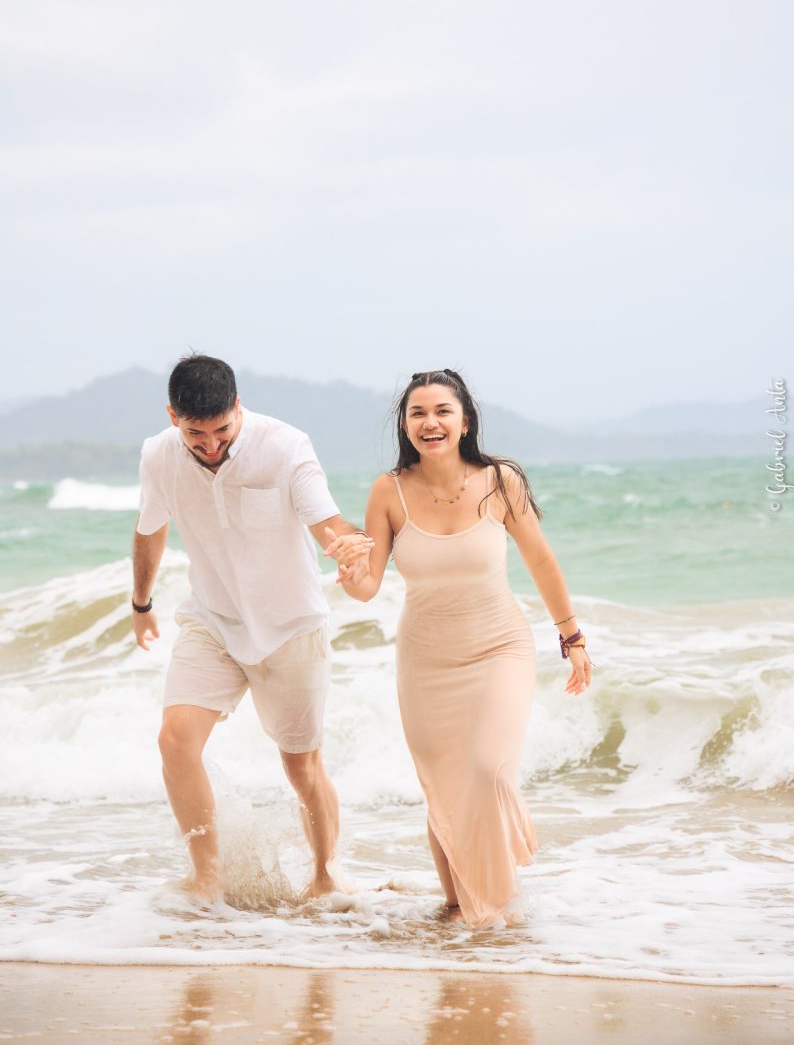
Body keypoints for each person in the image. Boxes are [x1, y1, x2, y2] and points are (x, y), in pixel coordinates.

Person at [337, 369, 591, 929]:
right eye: (418, 413)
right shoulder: (389, 490)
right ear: (405, 426)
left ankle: (493, 900)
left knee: (485, 770)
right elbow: (367, 586)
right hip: (425, 661)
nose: (430, 422)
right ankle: (458, 908)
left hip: (499, 647)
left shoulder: (502, 481)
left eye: (442, 411)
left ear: (465, 420)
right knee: (443, 786)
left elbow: (541, 560)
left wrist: (570, 636)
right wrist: (350, 567)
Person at [131, 353, 372, 903]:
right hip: (212, 620)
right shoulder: (157, 457)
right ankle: (208, 879)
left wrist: (348, 545)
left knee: (302, 768)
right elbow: (149, 528)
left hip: (290, 627)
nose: (211, 445)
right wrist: (141, 602)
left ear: (238, 407)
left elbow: (327, 523)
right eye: (196, 433)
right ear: (173, 416)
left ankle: (326, 874)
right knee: (174, 742)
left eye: (221, 429)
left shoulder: (285, 446)